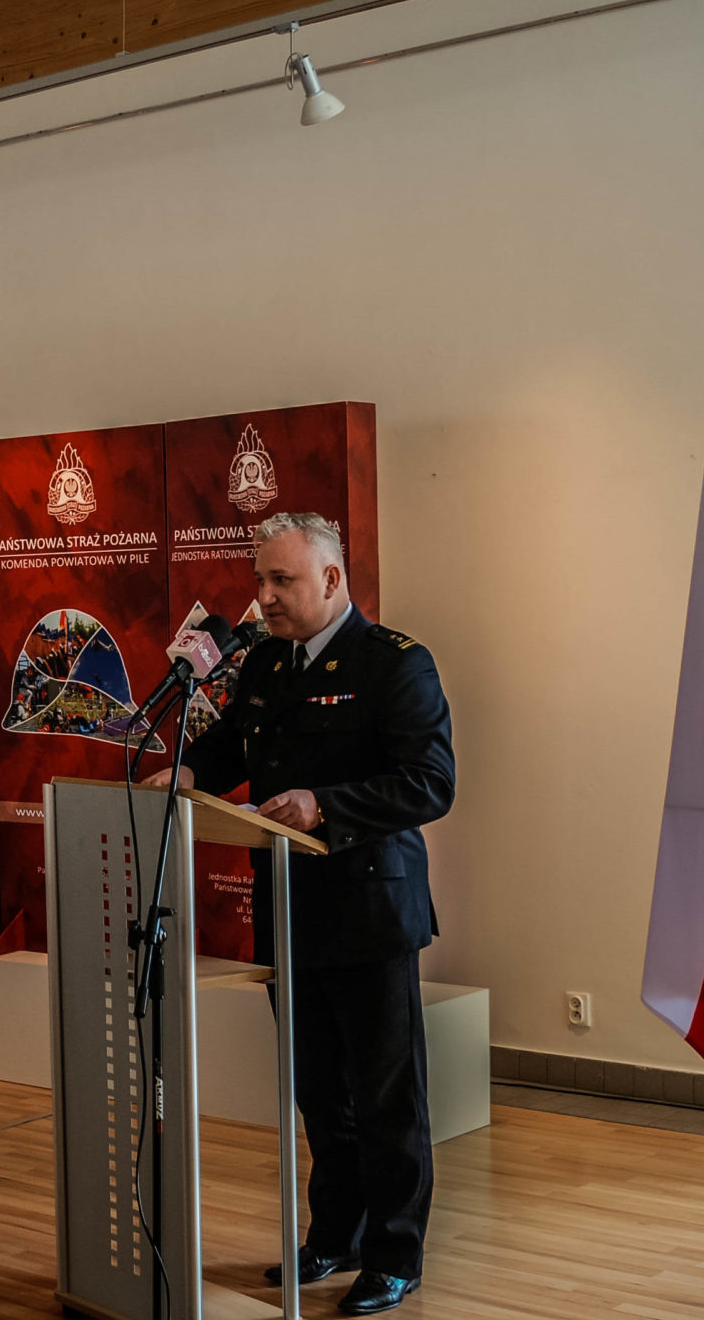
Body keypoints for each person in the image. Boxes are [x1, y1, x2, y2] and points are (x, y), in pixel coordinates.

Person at [147, 511, 454, 1315]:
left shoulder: (396, 663)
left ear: (331, 579)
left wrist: (327, 805)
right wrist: (187, 776)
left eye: (281, 580)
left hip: (371, 910)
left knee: (386, 1098)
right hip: (290, 910)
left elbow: (431, 783)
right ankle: (337, 1234)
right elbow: (229, 749)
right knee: (319, 1091)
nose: (265, 596)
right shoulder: (264, 663)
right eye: (260, 580)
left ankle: (394, 1255)